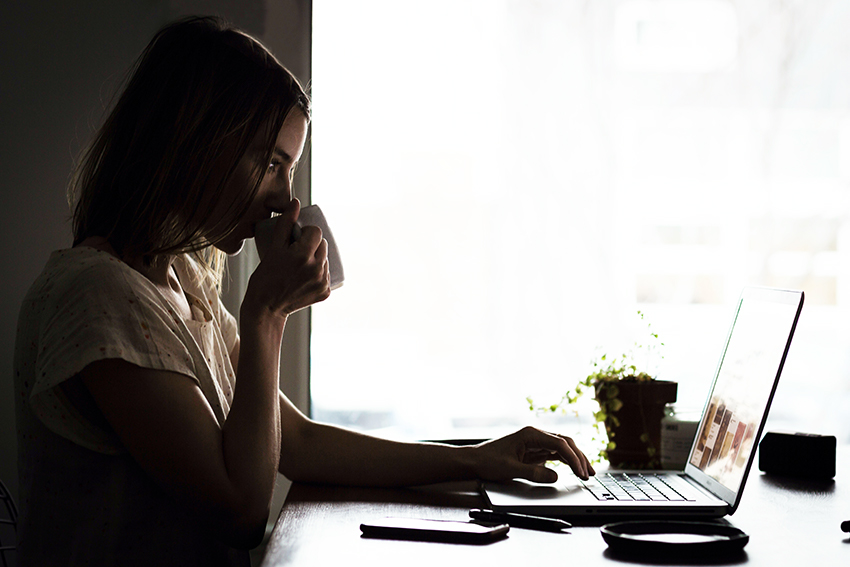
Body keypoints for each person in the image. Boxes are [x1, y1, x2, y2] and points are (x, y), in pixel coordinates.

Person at [13, 16, 594, 566]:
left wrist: (480, 458)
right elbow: (238, 511)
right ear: (194, 144)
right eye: (271, 163)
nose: (283, 200)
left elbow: (296, 440)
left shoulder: (181, 284)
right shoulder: (99, 295)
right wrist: (266, 311)